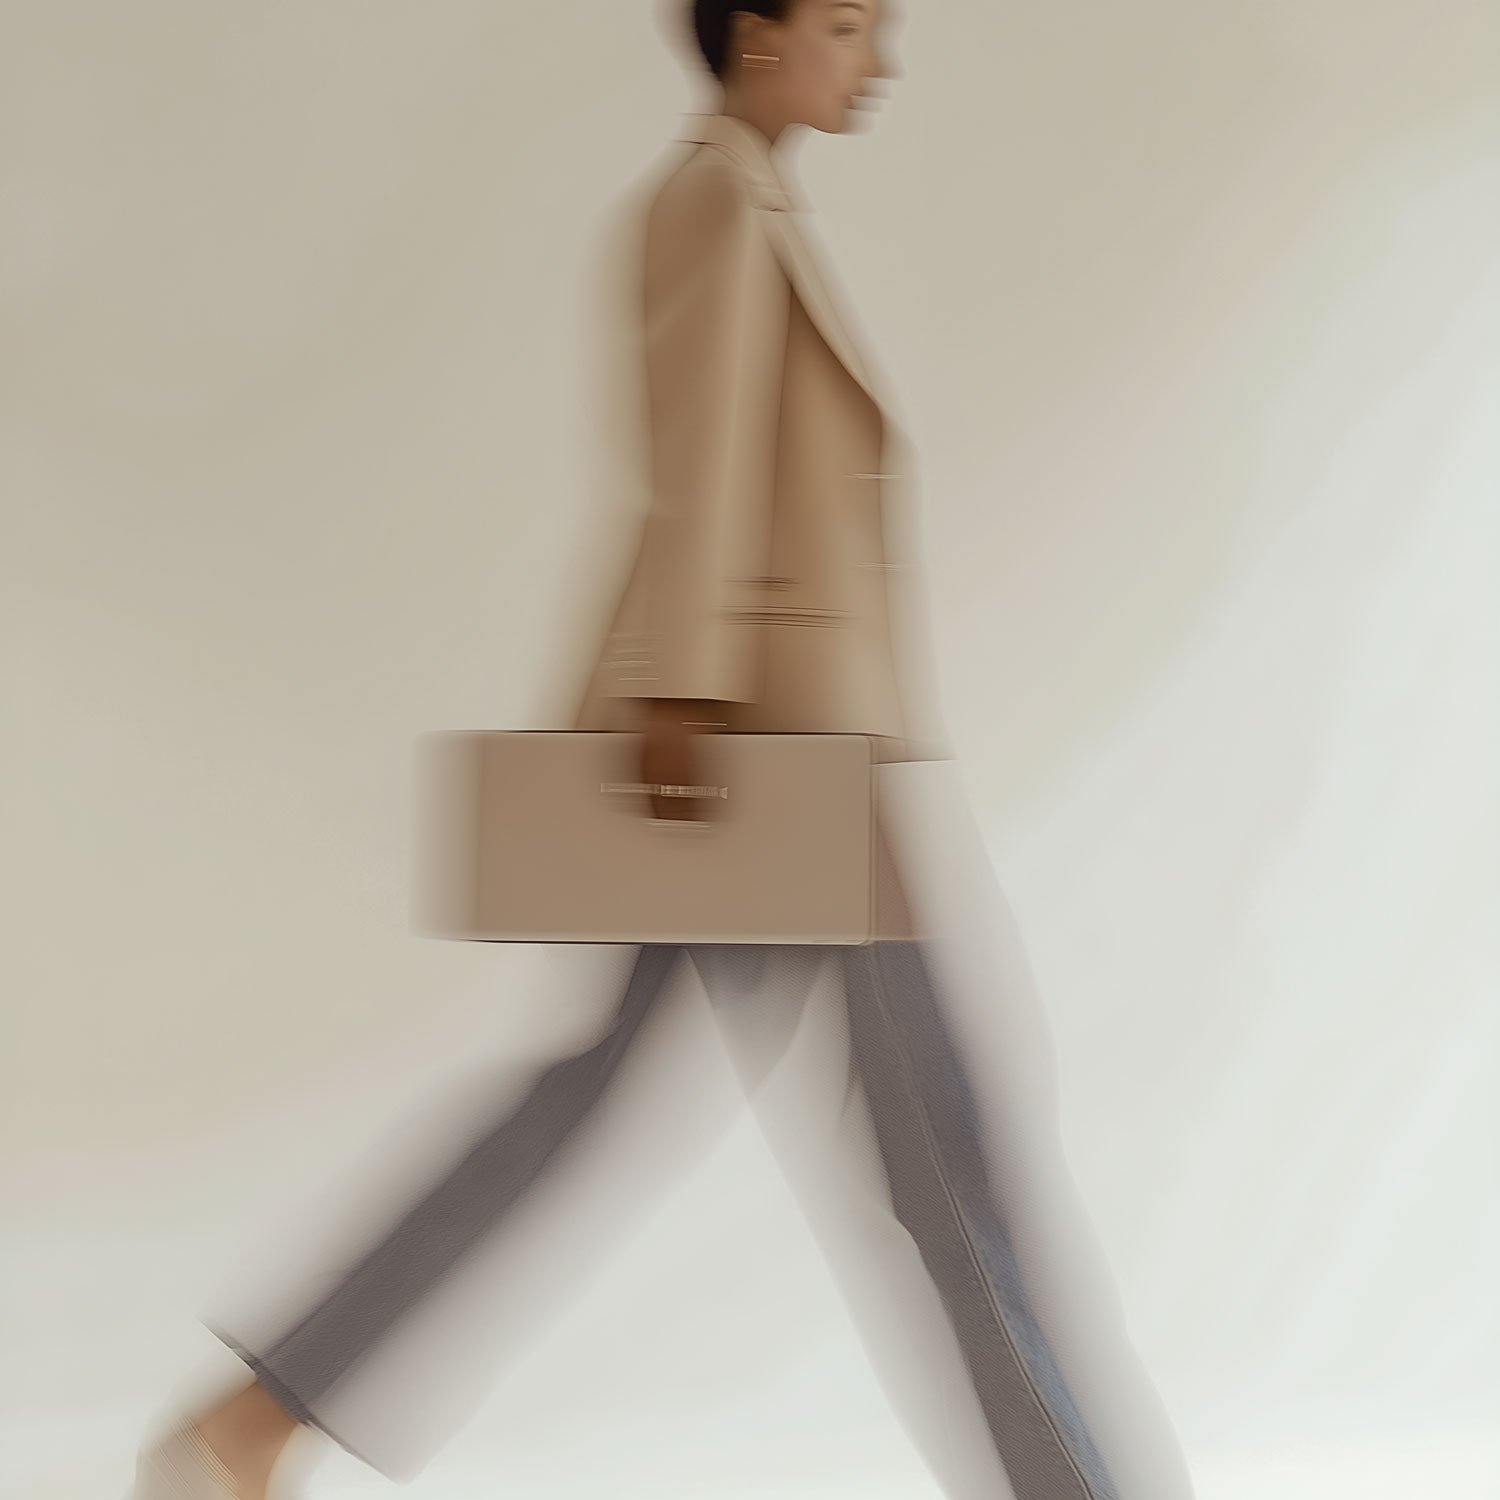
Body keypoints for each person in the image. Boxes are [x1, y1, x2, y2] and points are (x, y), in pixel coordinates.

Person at [130, 4, 1199, 1498]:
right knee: (946, 1167)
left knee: (608, 1105)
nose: (874, 62)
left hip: (771, 752)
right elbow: (693, 479)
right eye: (844, 26)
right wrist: (691, 704)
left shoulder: (745, 202)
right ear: (756, 33)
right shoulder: (709, 206)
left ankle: (246, 1431)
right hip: (778, 759)